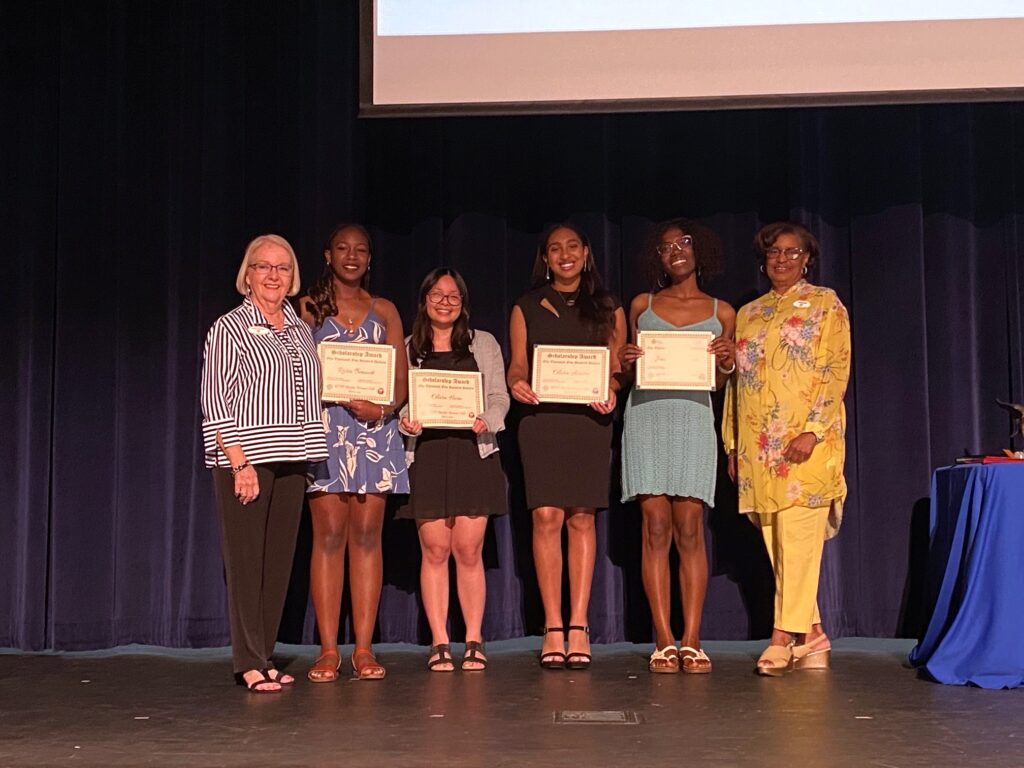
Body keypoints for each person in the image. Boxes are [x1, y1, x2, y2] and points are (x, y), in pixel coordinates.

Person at [200, 234, 328, 693]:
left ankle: (264, 654)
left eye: (283, 268)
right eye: (264, 267)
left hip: (294, 458)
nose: (274, 275)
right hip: (248, 460)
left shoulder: (299, 328)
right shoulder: (229, 328)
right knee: (246, 562)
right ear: (248, 274)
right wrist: (238, 464)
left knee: (277, 565)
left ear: (293, 277)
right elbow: (215, 400)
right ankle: (247, 660)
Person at [723, 221, 851, 676]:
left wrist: (812, 430)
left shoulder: (825, 303)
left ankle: (782, 638)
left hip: (806, 443)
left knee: (798, 541)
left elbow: (836, 369)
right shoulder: (749, 313)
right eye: (774, 252)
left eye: (792, 252)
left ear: (807, 258)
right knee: (779, 546)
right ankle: (812, 635)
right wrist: (733, 444)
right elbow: (738, 383)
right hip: (760, 447)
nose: (782, 259)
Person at [618, 219, 736, 674]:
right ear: (658, 258)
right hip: (647, 418)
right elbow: (629, 372)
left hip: (692, 420)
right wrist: (627, 361)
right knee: (654, 527)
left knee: (690, 529)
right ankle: (664, 639)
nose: (675, 251)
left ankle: (693, 638)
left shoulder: (722, 311)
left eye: (683, 243)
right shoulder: (642, 305)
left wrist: (726, 363)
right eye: (665, 247)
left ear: (698, 249)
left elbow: (719, 384)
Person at [507, 223, 625, 670]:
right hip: (542, 422)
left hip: (588, 423)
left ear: (586, 252)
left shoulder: (609, 306)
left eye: (572, 246)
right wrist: (517, 384)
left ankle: (579, 624)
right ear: (545, 258)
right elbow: (517, 367)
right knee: (546, 517)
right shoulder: (526, 305)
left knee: (581, 518)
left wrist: (613, 388)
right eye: (555, 248)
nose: (565, 254)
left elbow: (616, 368)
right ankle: (552, 626)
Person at [300, 223, 409, 682]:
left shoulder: (384, 310)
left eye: (360, 250)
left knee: (366, 537)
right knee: (328, 537)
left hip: (375, 432)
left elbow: (400, 381)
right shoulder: (308, 308)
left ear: (370, 258)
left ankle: (363, 648)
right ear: (327, 255)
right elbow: (295, 372)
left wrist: (381, 407)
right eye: (342, 248)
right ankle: (328, 650)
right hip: (325, 431)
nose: (351, 256)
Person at [397, 268, 510, 672]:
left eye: (453, 296)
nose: (445, 302)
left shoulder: (484, 343)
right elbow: (399, 401)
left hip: (472, 453)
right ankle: (440, 641)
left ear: (463, 303)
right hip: (427, 455)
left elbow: (499, 396)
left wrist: (488, 419)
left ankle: (474, 639)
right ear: (424, 300)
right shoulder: (408, 347)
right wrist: (406, 420)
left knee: (468, 550)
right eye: (437, 295)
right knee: (434, 550)